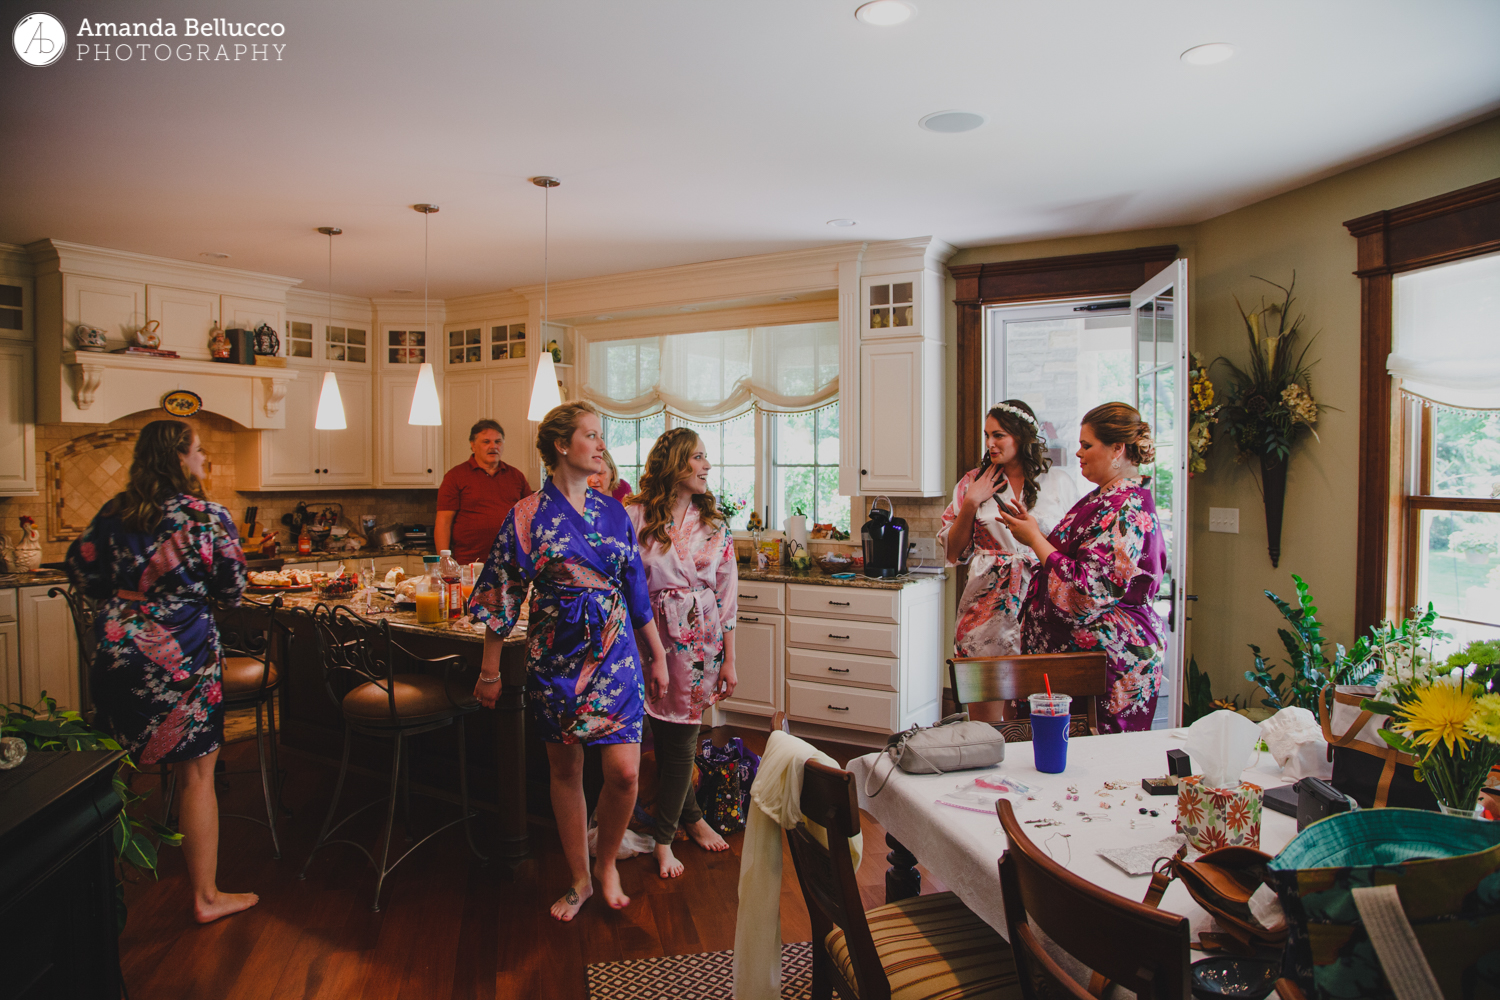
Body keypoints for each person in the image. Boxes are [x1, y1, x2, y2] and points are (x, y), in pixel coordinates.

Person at [468, 401, 669, 921]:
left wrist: (658, 655)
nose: (601, 445)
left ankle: (608, 862)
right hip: (555, 656)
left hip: (615, 652)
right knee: (566, 768)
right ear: (562, 445)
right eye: (591, 435)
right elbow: (500, 593)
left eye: (601, 436)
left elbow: (636, 590)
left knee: (624, 773)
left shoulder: (614, 512)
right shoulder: (527, 515)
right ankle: (581, 878)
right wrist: (490, 672)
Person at [65, 420, 257, 924]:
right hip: (182, 655)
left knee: (114, 767)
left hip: (116, 649)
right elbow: (234, 589)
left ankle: (93, 890)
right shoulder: (206, 516)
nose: (203, 458)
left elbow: (79, 566)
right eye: (198, 450)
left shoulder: (114, 511)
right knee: (196, 774)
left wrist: (126, 599)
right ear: (178, 458)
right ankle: (206, 898)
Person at [998, 402, 1168, 733]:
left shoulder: (1125, 508)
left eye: (1087, 445)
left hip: (1105, 668)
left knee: (1091, 759)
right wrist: (1034, 530)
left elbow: (1086, 591)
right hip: (1076, 662)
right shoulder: (1103, 497)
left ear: (1117, 449)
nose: (1078, 453)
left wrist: (1034, 539)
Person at [623, 428, 738, 879]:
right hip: (647, 637)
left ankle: (664, 839)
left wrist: (730, 660)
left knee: (684, 736)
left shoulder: (714, 525)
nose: (707, 466)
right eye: (698, 457)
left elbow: (727, 599)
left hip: (699, 643)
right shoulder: (635, 515)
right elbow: (623, 580)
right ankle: (691, 816)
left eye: (706, 458)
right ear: (674, 463)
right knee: (665, 737)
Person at [938, 400, 1076, 657]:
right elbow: (954, 552)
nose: (990, 443)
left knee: (1038, 676)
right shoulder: (972, 482)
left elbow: (1071, 548)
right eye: (987, 435)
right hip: (985, 603)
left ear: (1022, 437)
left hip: (1042, 598)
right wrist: (971, 502)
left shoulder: (1059, 482)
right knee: (983, 677)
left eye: (998, 435)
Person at [435, 419, 532, 565]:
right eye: (486, 442)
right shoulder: (455, 476)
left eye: (498, 441)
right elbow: (443, 523)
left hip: (510, 561)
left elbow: (531, 516)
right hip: (470, 562)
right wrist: (444, 562)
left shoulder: (516, 476)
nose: (493, 446)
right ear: (473, 445)